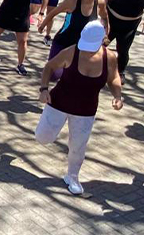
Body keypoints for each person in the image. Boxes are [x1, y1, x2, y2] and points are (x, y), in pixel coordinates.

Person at [36, 20, 123, 196]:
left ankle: (72, 176)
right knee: (43, 138)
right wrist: (44, 89)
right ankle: (45, 130)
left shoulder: (109, 58)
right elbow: (49, 66)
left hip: (85, 110)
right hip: (58, 103)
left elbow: (113, 78)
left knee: (78, 147)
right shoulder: (71, 52)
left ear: (102, 41)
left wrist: (117, 96)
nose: (87, 50)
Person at [40, 0, 108, 80]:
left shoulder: (100, 2)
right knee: (53, 75)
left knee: (75, 76)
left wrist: (106, 33)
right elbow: (53, 12)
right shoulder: (71, 2)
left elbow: (104, 17)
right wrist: (42, 26)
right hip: (63, 41)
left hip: (82, 46)